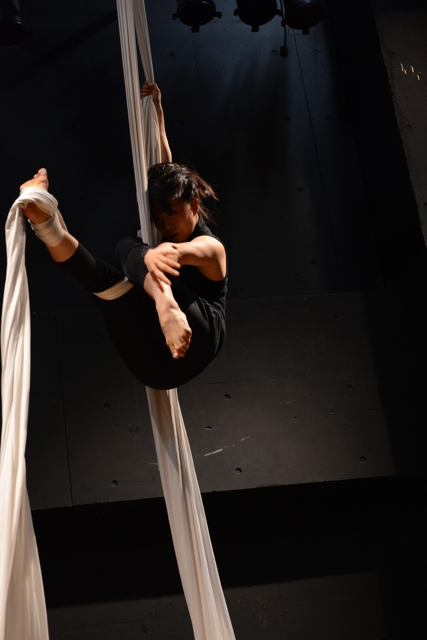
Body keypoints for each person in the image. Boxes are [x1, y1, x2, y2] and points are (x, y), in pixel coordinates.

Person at [19, 83, 227, 390]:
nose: (165, 226)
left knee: (127, 245)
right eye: (158, 219)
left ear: (195, 205)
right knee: (106, 283)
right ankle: (45, 222)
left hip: (201, 334)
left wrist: (158, 256)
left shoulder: (211, 247)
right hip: (156, 370)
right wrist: (157, 111)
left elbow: (180, 252)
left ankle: (166, 304)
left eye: (171, 216)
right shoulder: (170, 215)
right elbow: (164, 162)